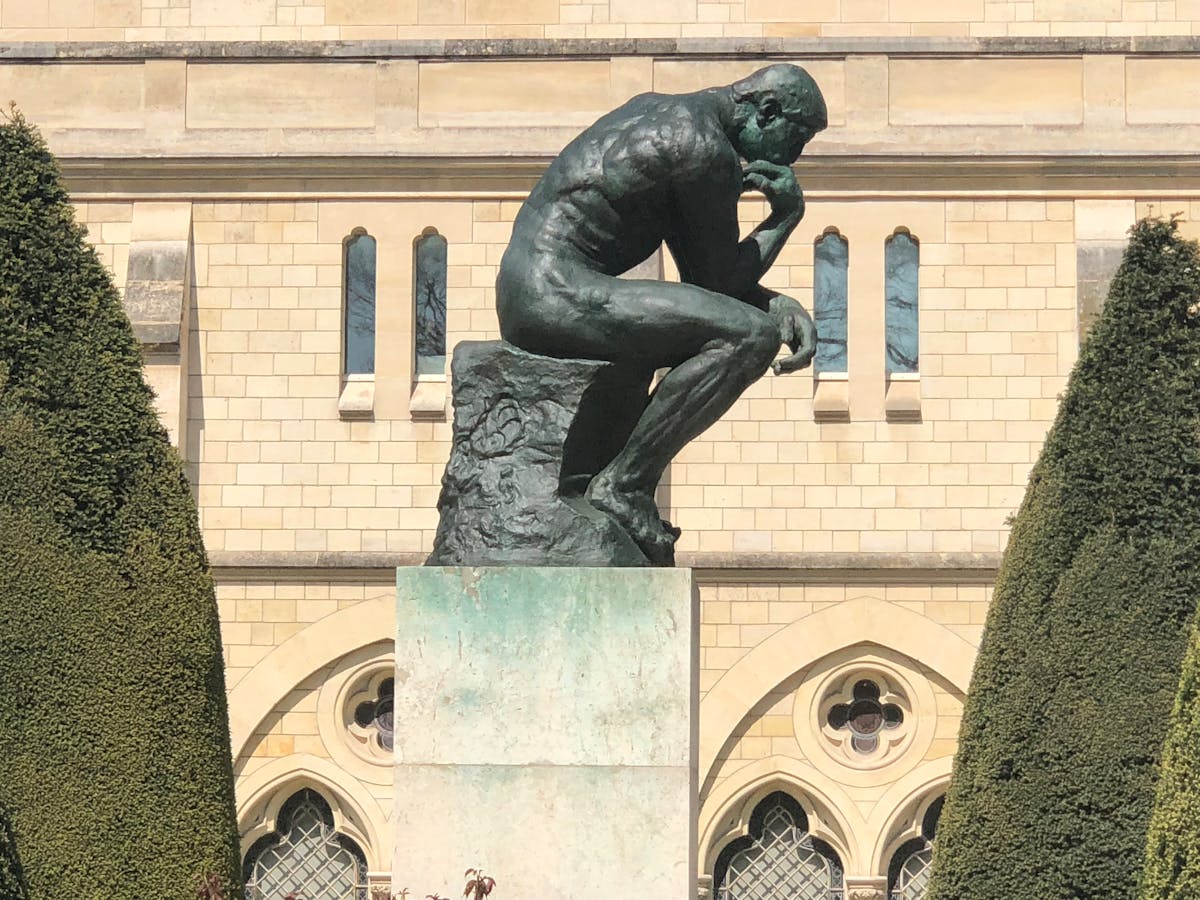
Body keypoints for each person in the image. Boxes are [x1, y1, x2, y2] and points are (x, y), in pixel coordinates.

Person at [496, 63, 827, 564]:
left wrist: (773, 301)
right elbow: (716, 284)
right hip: (555, 290)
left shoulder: (667, 112)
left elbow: (710, 280)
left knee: (742, 326)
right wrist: (785, 216)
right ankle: (624, 485)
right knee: (749, 340)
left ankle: (620, 478)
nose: (794, 157)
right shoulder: (703, 149)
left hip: (533, 285)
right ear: (767, 112)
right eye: (796, 139)